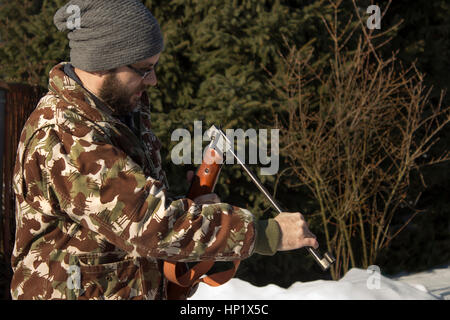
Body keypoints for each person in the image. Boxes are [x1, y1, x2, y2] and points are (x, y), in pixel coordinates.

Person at [10, 0, 319, 300]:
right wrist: (266, 235)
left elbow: (127, 205)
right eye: (145, 69)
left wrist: (184, 204)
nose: (154, 80)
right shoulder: (66, 133)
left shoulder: (119, 112)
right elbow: (148, 223)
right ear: (103, 62)